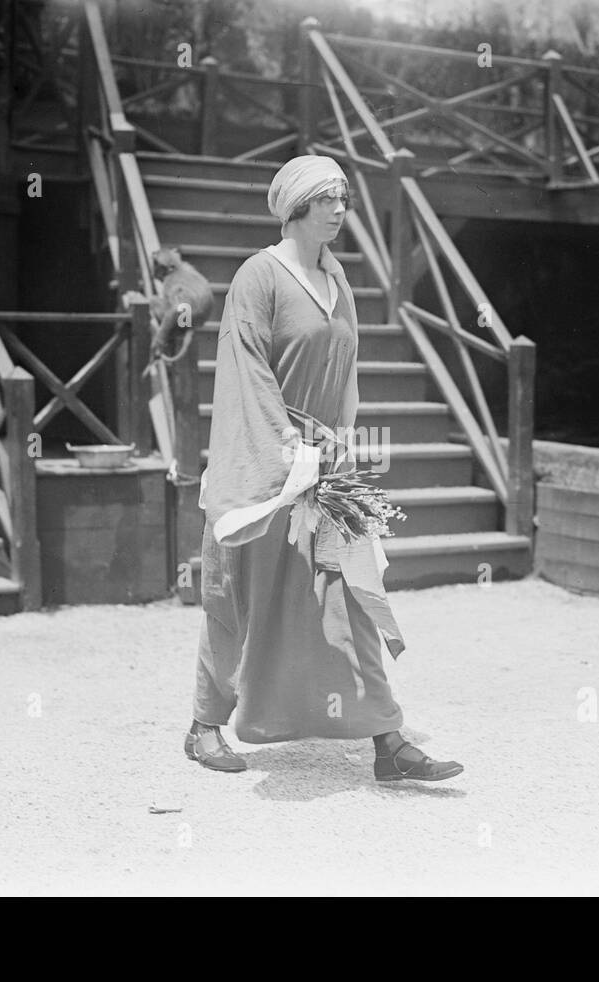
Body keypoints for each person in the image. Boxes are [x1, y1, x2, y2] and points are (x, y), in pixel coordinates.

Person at [184, 154, 463, 783]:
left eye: (344, 198)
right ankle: (204, 725)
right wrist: (285, 450)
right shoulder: (260, 277)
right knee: (238, 597)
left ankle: (388, 742)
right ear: (296, 206)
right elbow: (245, 371)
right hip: (265, 464)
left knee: (350, 594)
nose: (340, 210)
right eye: (328, 198)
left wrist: (339, 444)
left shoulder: (337, 281)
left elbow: (346, 375)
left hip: (323, 467)